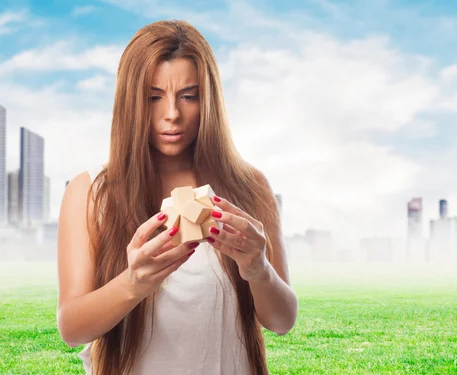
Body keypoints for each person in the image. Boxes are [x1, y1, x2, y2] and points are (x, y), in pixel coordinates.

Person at [56, 19, 298, 375]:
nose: (172, 114)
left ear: (209, 99)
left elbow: (282, 320)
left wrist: (257, 268)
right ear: (130, 101)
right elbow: (72, 328)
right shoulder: (92, 192)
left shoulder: (249, 186)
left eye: (189, 95)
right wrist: (134, 282)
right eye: (153, 97)